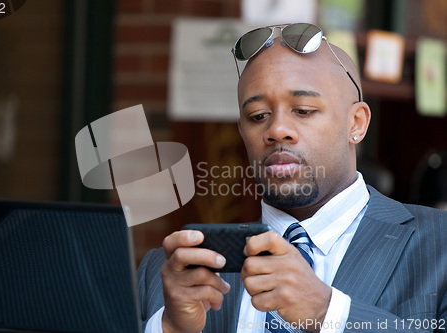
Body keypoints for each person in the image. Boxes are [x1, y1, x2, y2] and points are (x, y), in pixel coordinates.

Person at [137, 23, 447, 333]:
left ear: (356, 123)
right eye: (258, 116)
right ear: (242, 132)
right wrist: (171, 328)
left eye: (303, 109)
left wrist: (326, 312)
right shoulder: (167, 273)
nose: (276, 130)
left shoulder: (439, 245)